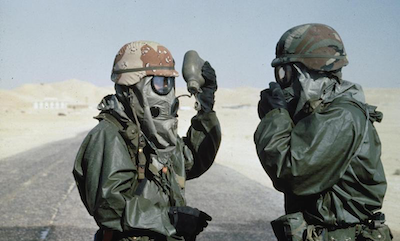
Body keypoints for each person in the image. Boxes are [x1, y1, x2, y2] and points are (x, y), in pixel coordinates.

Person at [254, 24, 393, 240]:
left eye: (285, 74)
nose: (283, 84)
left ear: (306, 73)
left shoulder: (340, 117)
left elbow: (291, 172)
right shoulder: (322, 114)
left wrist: (275, 116)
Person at [73, 40, 221, 241]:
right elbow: (109, 207)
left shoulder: (152, 136)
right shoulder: (109, 135)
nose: (167, 92)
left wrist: (206, 104)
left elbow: (191, 161)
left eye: (169, 83)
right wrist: (169, 220)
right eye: (160, 83)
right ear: (131, 88)